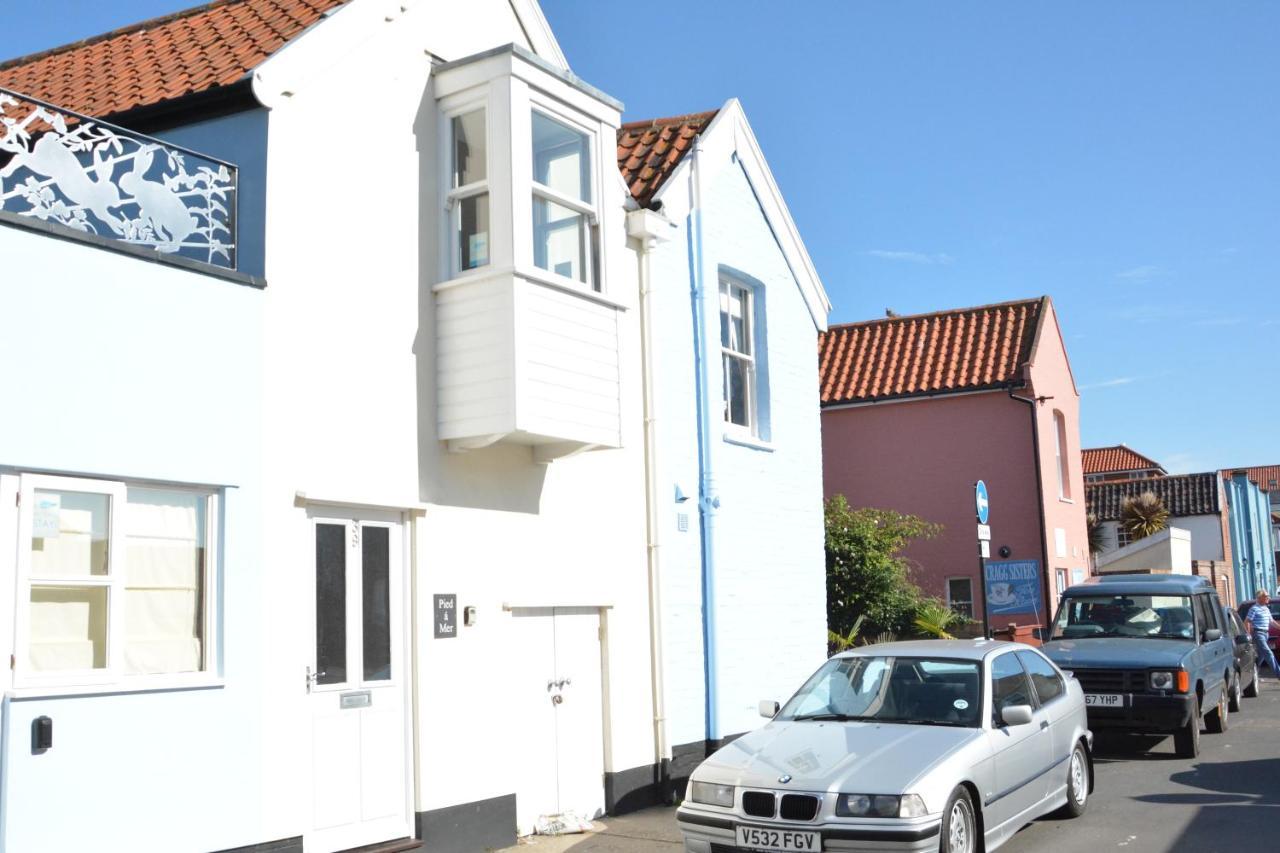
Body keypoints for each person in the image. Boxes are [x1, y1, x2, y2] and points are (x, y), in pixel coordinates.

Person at [1245, 590, 1280, 682]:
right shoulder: (1254, 608)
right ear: (1260, 597)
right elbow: (1247, 621)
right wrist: (1249, 635)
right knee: (1269, 653)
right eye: (1266, 596)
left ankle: (1252, 675)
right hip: (1258, 634)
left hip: (1265, 634)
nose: (1268, 597)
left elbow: (1271, 622)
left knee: (1261, 656)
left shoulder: (1266, 609)